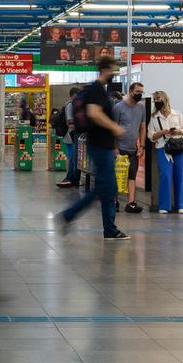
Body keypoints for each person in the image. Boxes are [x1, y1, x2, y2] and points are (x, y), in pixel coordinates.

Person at [56, 57, 129, 240]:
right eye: (113, 69)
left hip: (103, 146)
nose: (115, 73)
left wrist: (112, 144)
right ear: (105, 69)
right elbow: (94, 114)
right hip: (99, 146)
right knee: (106, 188)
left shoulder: (97, 89)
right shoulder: (97, 89)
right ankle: (70, 214)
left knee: (108, 189)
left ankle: (109, 229)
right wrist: (115, 128)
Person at [147, 90, 183, 214]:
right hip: (163, 148)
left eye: (158, 99)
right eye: (155, 100)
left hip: (179, 147)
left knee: (181, 175)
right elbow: (151, 136)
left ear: (165, 99)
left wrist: (178, 131)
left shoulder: (177, 114)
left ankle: (181, 204)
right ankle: (164, 205)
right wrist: (163, 132)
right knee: (165, 175)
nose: (156, 102)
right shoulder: (154, 117)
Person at [113, 80, 146, 213]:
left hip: (133, 148)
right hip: (119, 147)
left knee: (132, 175)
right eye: (137, 92)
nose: (139, 94)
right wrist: (114, 147)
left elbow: (142, 127)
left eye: (141, 92)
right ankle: (114, 201)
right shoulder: (118, 107)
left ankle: (131, 203)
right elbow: (113, 127)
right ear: (130, 91)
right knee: (117, 176)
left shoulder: (141, 108)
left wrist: (142, 145)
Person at [56, 87, 82, 188]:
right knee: (71, 157)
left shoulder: (74, 105)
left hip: (72, 135)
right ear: (72, 96)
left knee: (72, 157)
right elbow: (70, 122)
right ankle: (69, 177)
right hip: (70, 135)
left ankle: (71, 177)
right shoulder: (70, 105)